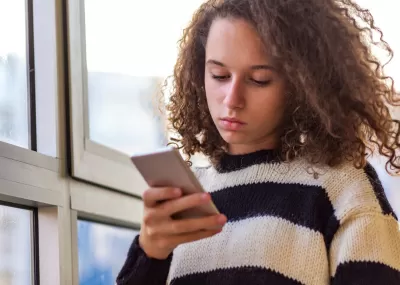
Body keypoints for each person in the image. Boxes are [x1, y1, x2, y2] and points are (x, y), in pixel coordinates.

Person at [116, 0, 400, 284]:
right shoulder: (189, 198)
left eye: (259, 79)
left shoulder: (344, 190)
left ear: (300, 85)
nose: (232, 99)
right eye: (219, 75)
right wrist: (150, 253)